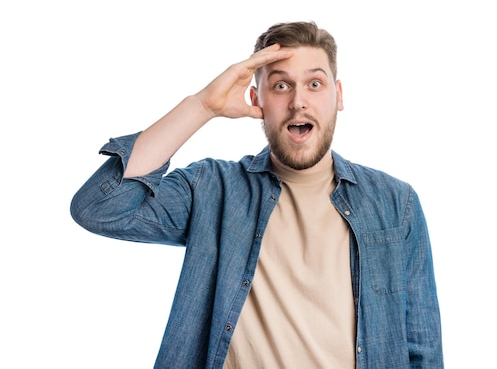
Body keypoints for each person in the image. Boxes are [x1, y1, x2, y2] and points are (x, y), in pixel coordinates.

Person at [70, 21, 444, 368]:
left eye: (315, 84)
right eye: (281, 85)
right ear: (256, 99)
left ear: (338, 95)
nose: (299, 101)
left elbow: (422, 347)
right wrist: (202, 106)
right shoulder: (213, 188)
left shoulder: (396, 203)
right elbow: (101, 208)